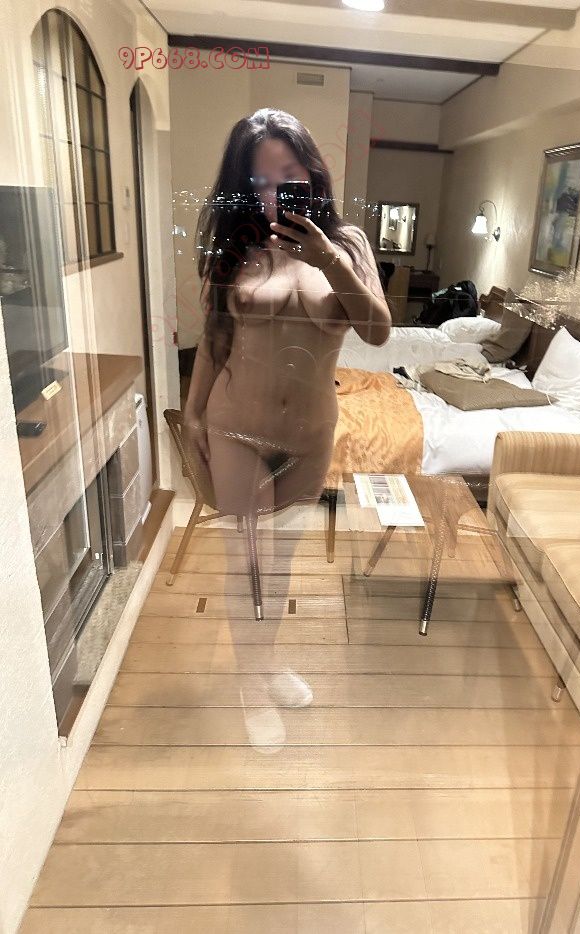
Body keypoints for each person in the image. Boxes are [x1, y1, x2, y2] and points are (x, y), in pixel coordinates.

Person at [183, 108, 392, 751]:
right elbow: (215, 339)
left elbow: (377, 330)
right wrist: (192, 415)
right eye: (259, 182)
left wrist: (327, 258)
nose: (274, 193)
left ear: (312, 172)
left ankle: (265, 663)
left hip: (310, 436)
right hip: (237, 428)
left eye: (288, 175)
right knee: (249, 563)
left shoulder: (348, 244)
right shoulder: (239, 244)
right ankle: (251, 686)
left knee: (280, 565)